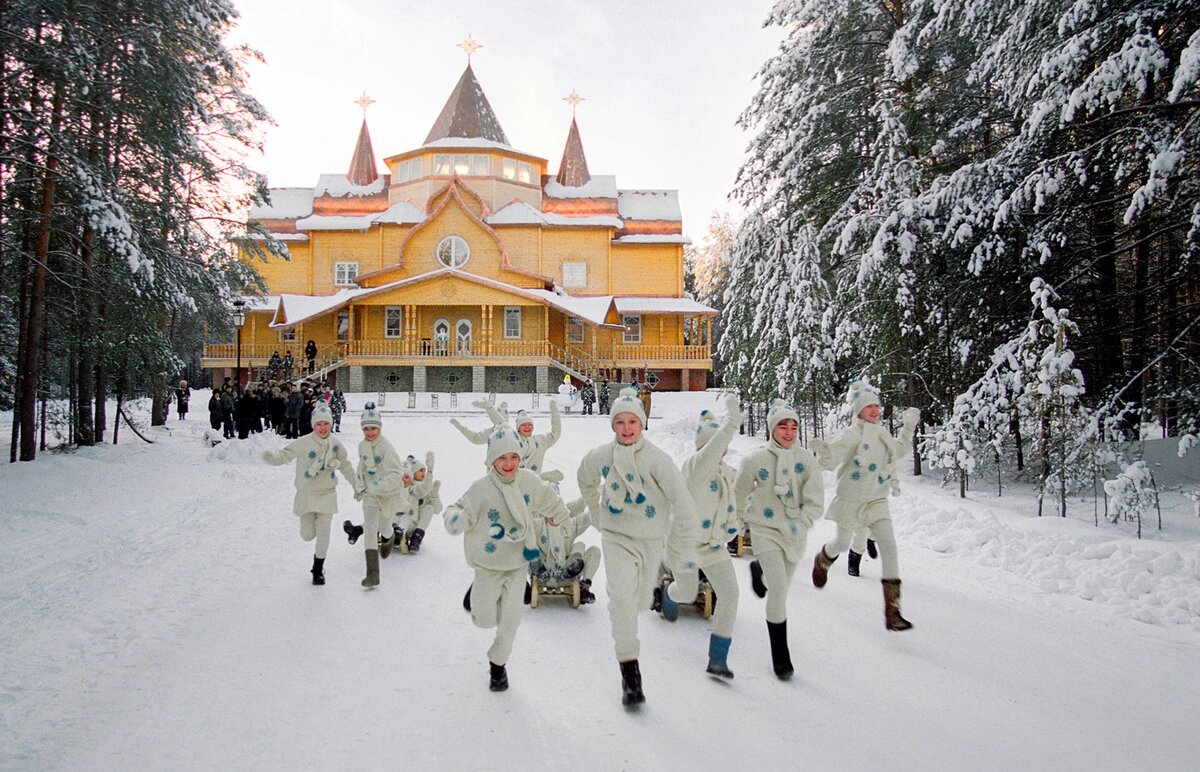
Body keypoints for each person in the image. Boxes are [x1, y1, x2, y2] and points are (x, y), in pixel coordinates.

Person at [577, 387, 700, 706]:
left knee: (640, 601)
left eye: (633, 421)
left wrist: (685, 537)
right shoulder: (602, 456)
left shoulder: (657, 460)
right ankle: (630, 674)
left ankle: (655, 594)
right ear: (613, 425)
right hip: (616, 535)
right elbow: (584, 475)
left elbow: (681, 499)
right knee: (620, 600)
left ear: (642, 423)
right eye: (620, 421)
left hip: (649, 538)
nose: (627, 428)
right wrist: (595, 510)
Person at [442, 428, 569, 692]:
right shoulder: (481, 489)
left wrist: (561, 516)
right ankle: (478, 595)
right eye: (502, 458)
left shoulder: (529, 482)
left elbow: (549, 498)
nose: (509, 464)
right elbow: (459, 508)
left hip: (518, 562)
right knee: (484, 619)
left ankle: (498, 666)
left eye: (514, 456)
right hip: (489, 564)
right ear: (491, 460)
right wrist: (457, 519)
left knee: (511, 620)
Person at [810, 380, 920, 631]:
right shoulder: (852, 434)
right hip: (851, 499)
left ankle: (893, 612)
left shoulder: (882, 434)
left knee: (890, 547)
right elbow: (834, 455)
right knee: (842, 543)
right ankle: (824, 559)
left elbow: (900, 450)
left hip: (877, 500)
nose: (874, 410)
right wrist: (824, 454)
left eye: (876, 406)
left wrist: (909, 426)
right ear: (858, 410)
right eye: (868, 406)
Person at [733, 398, 823, 680]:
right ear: (772, 429)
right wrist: (737, 522)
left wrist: (803, 522)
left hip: (794, 534)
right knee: (780, 591)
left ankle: (757, 571)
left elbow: (815, 500)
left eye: (794, 427)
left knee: (776, 585)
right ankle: (781, 657)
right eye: (782, 426)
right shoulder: (755, 461)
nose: (788, 432)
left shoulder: (806, 461)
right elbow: (739, 493)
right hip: (764, 529)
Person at [661, 395, 745, 678]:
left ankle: (717, 659)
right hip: (683, 545)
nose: (717, 451)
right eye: (711, 446)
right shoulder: (696, 466)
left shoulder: (723, 473)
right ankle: (668, 594)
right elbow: (713, 450)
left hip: (711, 546)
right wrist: (732, 424)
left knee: (730, 595)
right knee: (687, 593)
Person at [261, 401, 356, 585]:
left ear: (331, 424)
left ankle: (318, 569)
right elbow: (285, 455)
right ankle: (315, 556)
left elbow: (346, 466)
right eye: (319, 424)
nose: (323, 428)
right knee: (307, 535)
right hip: (306, 494)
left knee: (324, 533)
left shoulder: (335, 445)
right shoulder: (304, 442)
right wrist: (271, 458)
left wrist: (356, 485)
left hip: (327, 494)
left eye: (326, 424)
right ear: (314, 425)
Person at [351, 402, 404, 587]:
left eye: (373, 428)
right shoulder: (362, 445)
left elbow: (397, 473)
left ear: (379, 427)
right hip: (370, 494)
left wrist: (380, 485)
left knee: (385, 525)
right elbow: (362, 467)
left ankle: (389, 538)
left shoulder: (386, 448)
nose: (369, 432)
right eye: (366, 429)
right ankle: (373, 574)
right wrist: (360, 485)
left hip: (387, 494)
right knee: (371, 529)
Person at [532, 497, 600, 604]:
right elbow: (522, 525)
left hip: (566, 572)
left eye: (557, 513)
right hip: (542, 572)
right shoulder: (538, 525)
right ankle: (523, 587)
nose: (554, 517)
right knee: (525, 547)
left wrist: (595, 494)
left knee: (593, 550)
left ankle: (584, 588)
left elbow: (588, 516)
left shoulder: (570, 526)